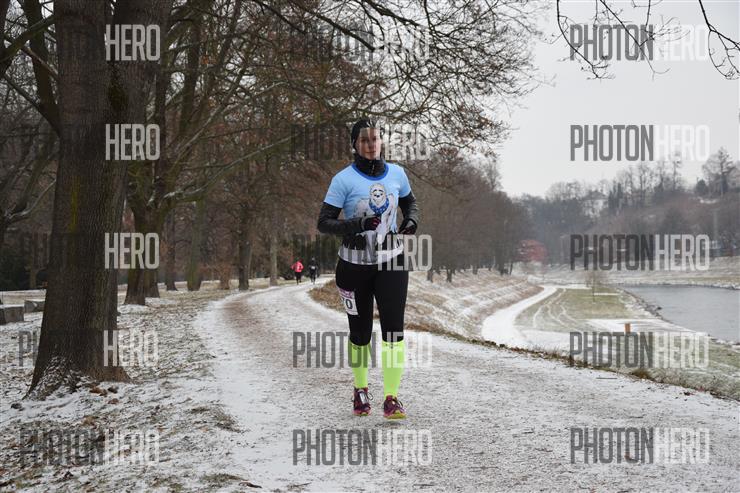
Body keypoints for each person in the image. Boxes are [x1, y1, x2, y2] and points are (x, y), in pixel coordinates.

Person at [317, 118, 419, 419]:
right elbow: (324, 223)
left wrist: (412, 220)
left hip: (392, 262)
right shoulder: (343, 180)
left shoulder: (397, 174)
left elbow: (410, 204)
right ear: (355, 144)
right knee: (359, 332)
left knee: (393, 330)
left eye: (375, 139)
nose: (371, 145)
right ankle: (360, 390)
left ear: (381, 141)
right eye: (364, 140)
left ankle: (391, 398)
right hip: (354, 266)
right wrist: (357, 224)